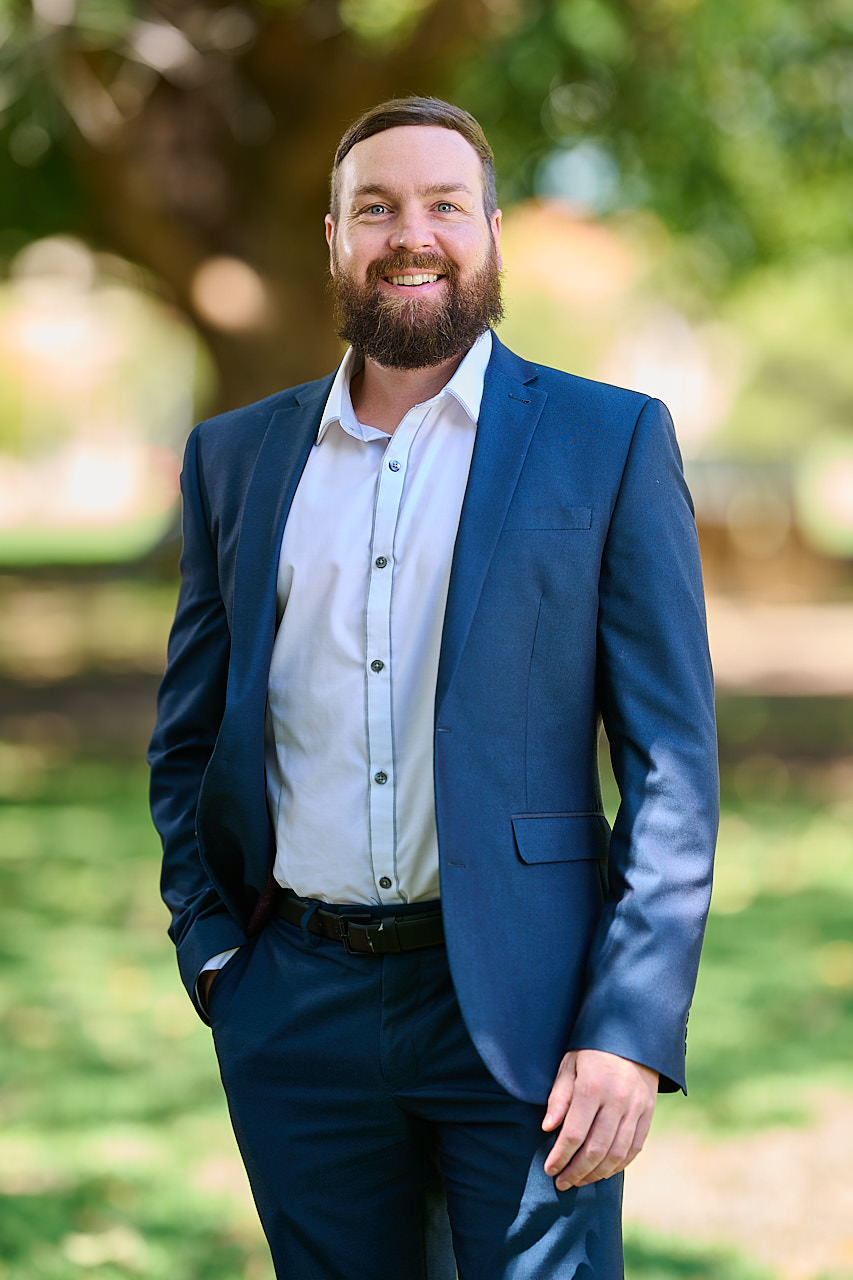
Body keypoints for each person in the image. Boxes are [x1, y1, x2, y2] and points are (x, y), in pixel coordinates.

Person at [148, 96, 718, 1280]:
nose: (412, 232)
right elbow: (189, 739)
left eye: (444, 204)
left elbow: (671, 765)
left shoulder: (605, 440)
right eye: (377, 206)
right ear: (333, 238)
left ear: (492, 231)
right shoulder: (236, 458)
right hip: (293, 1009)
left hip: (528, 1016)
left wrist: (626, 1026)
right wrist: (216, 959)